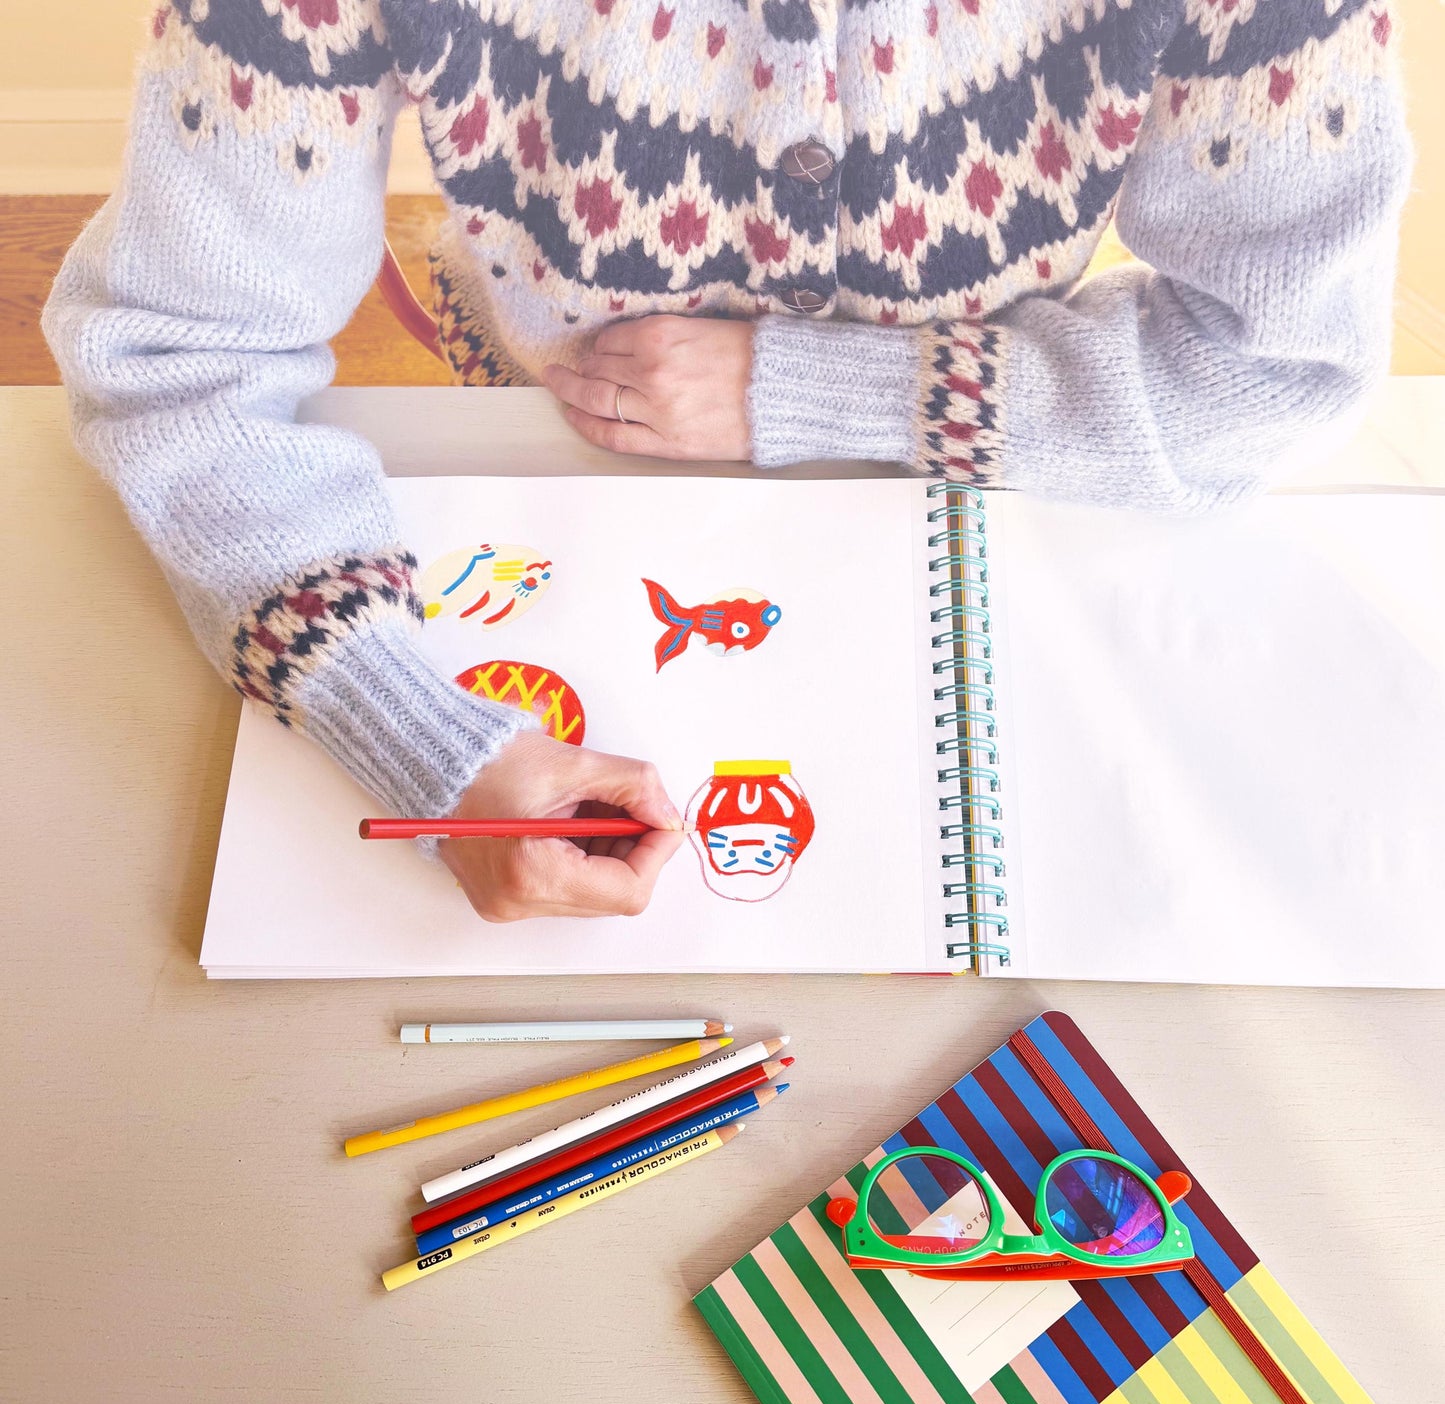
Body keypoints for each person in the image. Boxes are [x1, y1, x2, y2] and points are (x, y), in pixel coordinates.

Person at [44, 0, 1410, 923]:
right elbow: (180, 359)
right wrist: (409, 727)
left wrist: (821, 391)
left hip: (995, 468)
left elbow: (1279, 362)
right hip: (563, 437)